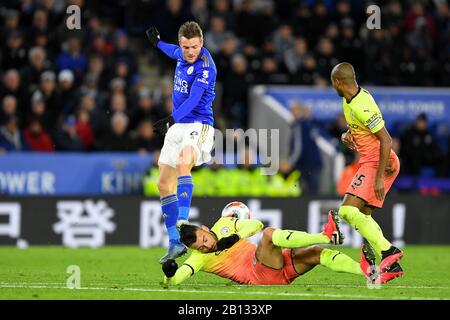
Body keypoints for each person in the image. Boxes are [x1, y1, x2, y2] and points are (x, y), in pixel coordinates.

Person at [161, 211, 390, 285]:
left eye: (204, 239)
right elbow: (178, 277)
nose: (206, 246)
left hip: (275, 266)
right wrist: (170, 273)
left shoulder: (225, 225)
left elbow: (256, 224)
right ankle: (326, 235)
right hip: (259, 274)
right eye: (201, 247)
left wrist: (235, 236)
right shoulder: (199, 258)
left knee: (318, 254)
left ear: (204, 228)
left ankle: (372, 274)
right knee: (270, 236)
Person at [146, 22, 216, 263]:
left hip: (199, 124)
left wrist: (171, 118)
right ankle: (175, 242)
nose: (190, 52)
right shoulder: (181, 53)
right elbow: (171, 51)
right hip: (178, 126)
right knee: (164, 184)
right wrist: (157, 44)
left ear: (202, 43)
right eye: (186, 47)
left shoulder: (206, 67)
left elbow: (196, 99)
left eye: (195, 47)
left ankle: (183, 221)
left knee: (184, 162)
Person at [330, 62, 403, 283]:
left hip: (379, 162)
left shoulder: (362, 105)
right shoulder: (350, 99)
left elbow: (386, 139)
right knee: (364, 217)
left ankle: (389, 251)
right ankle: (392, 267)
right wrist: (347, 136)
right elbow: (360, 129)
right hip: (372, 160)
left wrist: (379, 175)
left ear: (338, 82)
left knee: (347, 212)